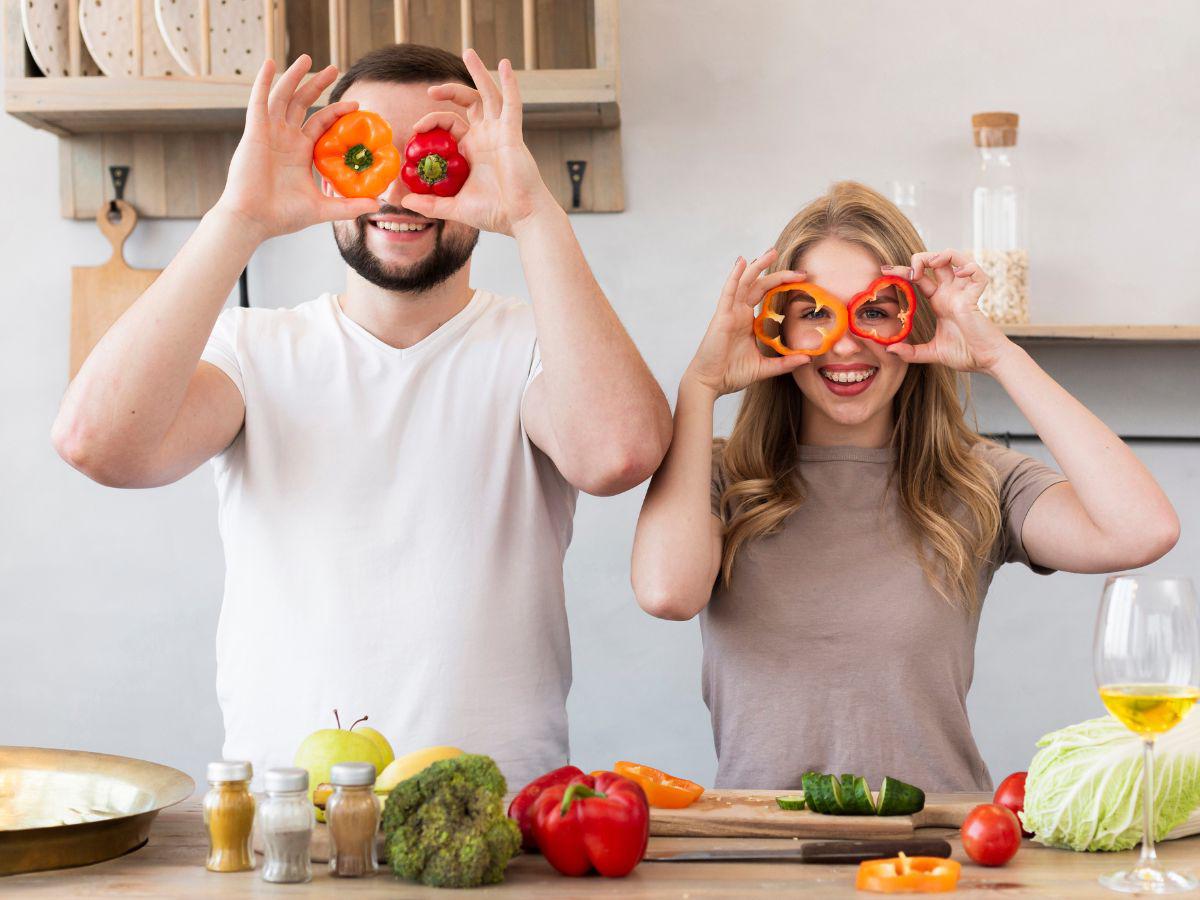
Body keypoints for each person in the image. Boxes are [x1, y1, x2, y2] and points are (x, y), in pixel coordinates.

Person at [52, 45, 671, 787]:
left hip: (497, 822)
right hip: (285, 825)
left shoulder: (538, 351)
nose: (401, 190)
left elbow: (617, 454)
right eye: (365, 152)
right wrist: (238, 216)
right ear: (324, 166)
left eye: (432, 156)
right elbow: (95, 444)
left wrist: (534, 213)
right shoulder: (253, 351)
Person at [630, 181, 1179, 792]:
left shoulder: (975, 479)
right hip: (764, 859)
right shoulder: (717, 475)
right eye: (814, 312)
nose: (844, 341)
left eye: (874, 310)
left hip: (938, 856)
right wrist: (701, 383)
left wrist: (998, 354)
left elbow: (1142, 530)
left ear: (912, 322)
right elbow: (666, 594)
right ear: (775, 324)